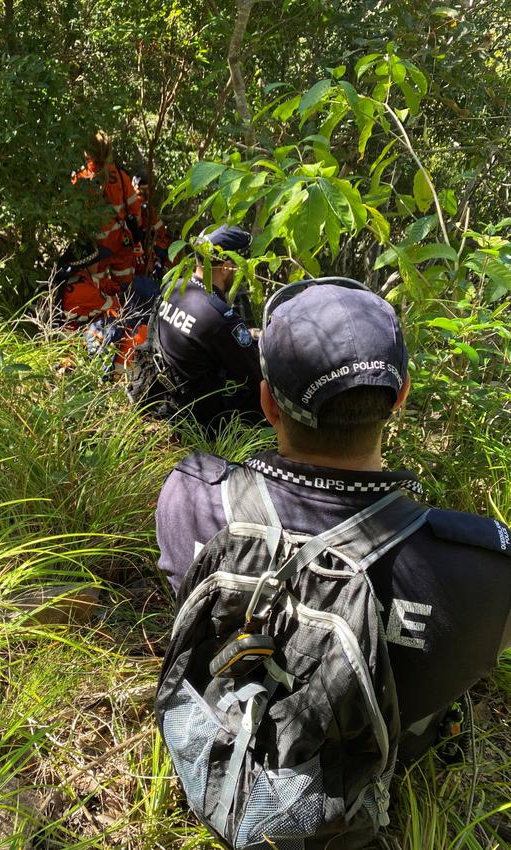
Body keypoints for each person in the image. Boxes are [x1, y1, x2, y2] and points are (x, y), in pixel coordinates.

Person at [156, 277, 511, 765]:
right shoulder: (485, 570)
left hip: (218, 749)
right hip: (362, 789)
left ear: (266, 403)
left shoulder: (188, 494)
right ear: (402, 394)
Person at [155, 224, 264, 433]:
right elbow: (256, 375)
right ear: (226, 266)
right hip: (199, 418)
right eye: (240, 263)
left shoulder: (173, 286)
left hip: (165, 395)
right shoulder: (219, 317)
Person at [72, 131, 143, 290]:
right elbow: (135, 210)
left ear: (87, 151)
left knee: (98, 287)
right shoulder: (120, 174)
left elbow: (73, 218)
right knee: (124, 287)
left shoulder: (80, 179)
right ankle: (125, 309)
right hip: (120, 242)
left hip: (96, 249)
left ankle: (108, 311)